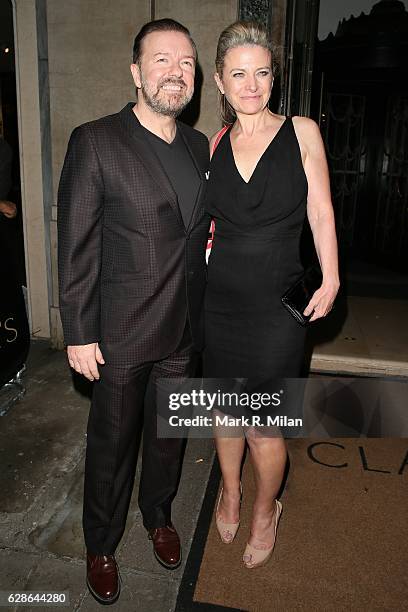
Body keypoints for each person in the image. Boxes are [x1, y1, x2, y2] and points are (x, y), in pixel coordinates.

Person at [58, 19, 209, 605]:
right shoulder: (96, 140)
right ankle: (101, 544)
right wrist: (78, 331)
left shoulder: (200, 147)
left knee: (169, 438)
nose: (176, 72)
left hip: (184, 329)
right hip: (119, 334)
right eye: (163, 60)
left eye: (187, 63)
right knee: (112, 446)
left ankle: (159, 516)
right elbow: (76, 242)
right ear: (135, 72)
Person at [203, 21, 339, 569]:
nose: (251, 84)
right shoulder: (212, 144)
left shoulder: (302, 132)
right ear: (220, 81)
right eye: (239, 74)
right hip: (220, 301)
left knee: (263, 422)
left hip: (279, 304)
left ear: (273, 77)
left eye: (261, 72)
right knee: (225, 412)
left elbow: (322, 210)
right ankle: (230, 492)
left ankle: (265, 508)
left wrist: (331, 276)